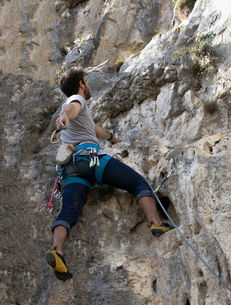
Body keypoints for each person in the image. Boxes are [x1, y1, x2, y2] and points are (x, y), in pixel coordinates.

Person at [46, 67, 173, 281]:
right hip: (91, 159)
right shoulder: (75, 100)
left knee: (69, 211)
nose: (88, 84)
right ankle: (157, 224)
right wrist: (66, 116)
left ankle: (57, 252)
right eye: (86, 81)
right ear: (81, 84)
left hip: (70, 169)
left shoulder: (71, 111)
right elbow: (73, 108)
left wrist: (111, 137)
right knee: (137, 182)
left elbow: (92, 127)